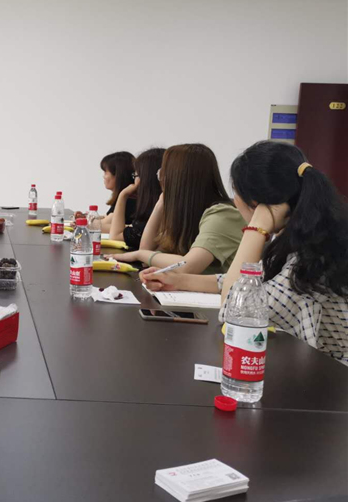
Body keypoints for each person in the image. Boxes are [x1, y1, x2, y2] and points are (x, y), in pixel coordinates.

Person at [141, 141, 348, 365]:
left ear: (256, 203)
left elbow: (234, 310)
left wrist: (256, 228)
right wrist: (179, 281)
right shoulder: (308, 237)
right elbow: (251, 282)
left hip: (331, 379)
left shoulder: (309, 259)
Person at [115, 143, 245, 275]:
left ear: (178, 179)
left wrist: (140, 255)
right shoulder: (187, 213)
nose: (160, 178)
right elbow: (147, 249)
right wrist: (160, 204)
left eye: (163, 172)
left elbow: (188, 266)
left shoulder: (223, 215)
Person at [108, 148, 165, 249]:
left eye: (136, 175)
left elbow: (115, 236)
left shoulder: (157, 207)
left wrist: (122, 196)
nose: (135, 180)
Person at [92, 151, 136, 231]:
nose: (104, 176)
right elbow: (106, 218)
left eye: (106, 172)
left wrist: (84, 222)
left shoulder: (128, 200)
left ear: (118, 175)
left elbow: (98, 225)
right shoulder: (127, 197)